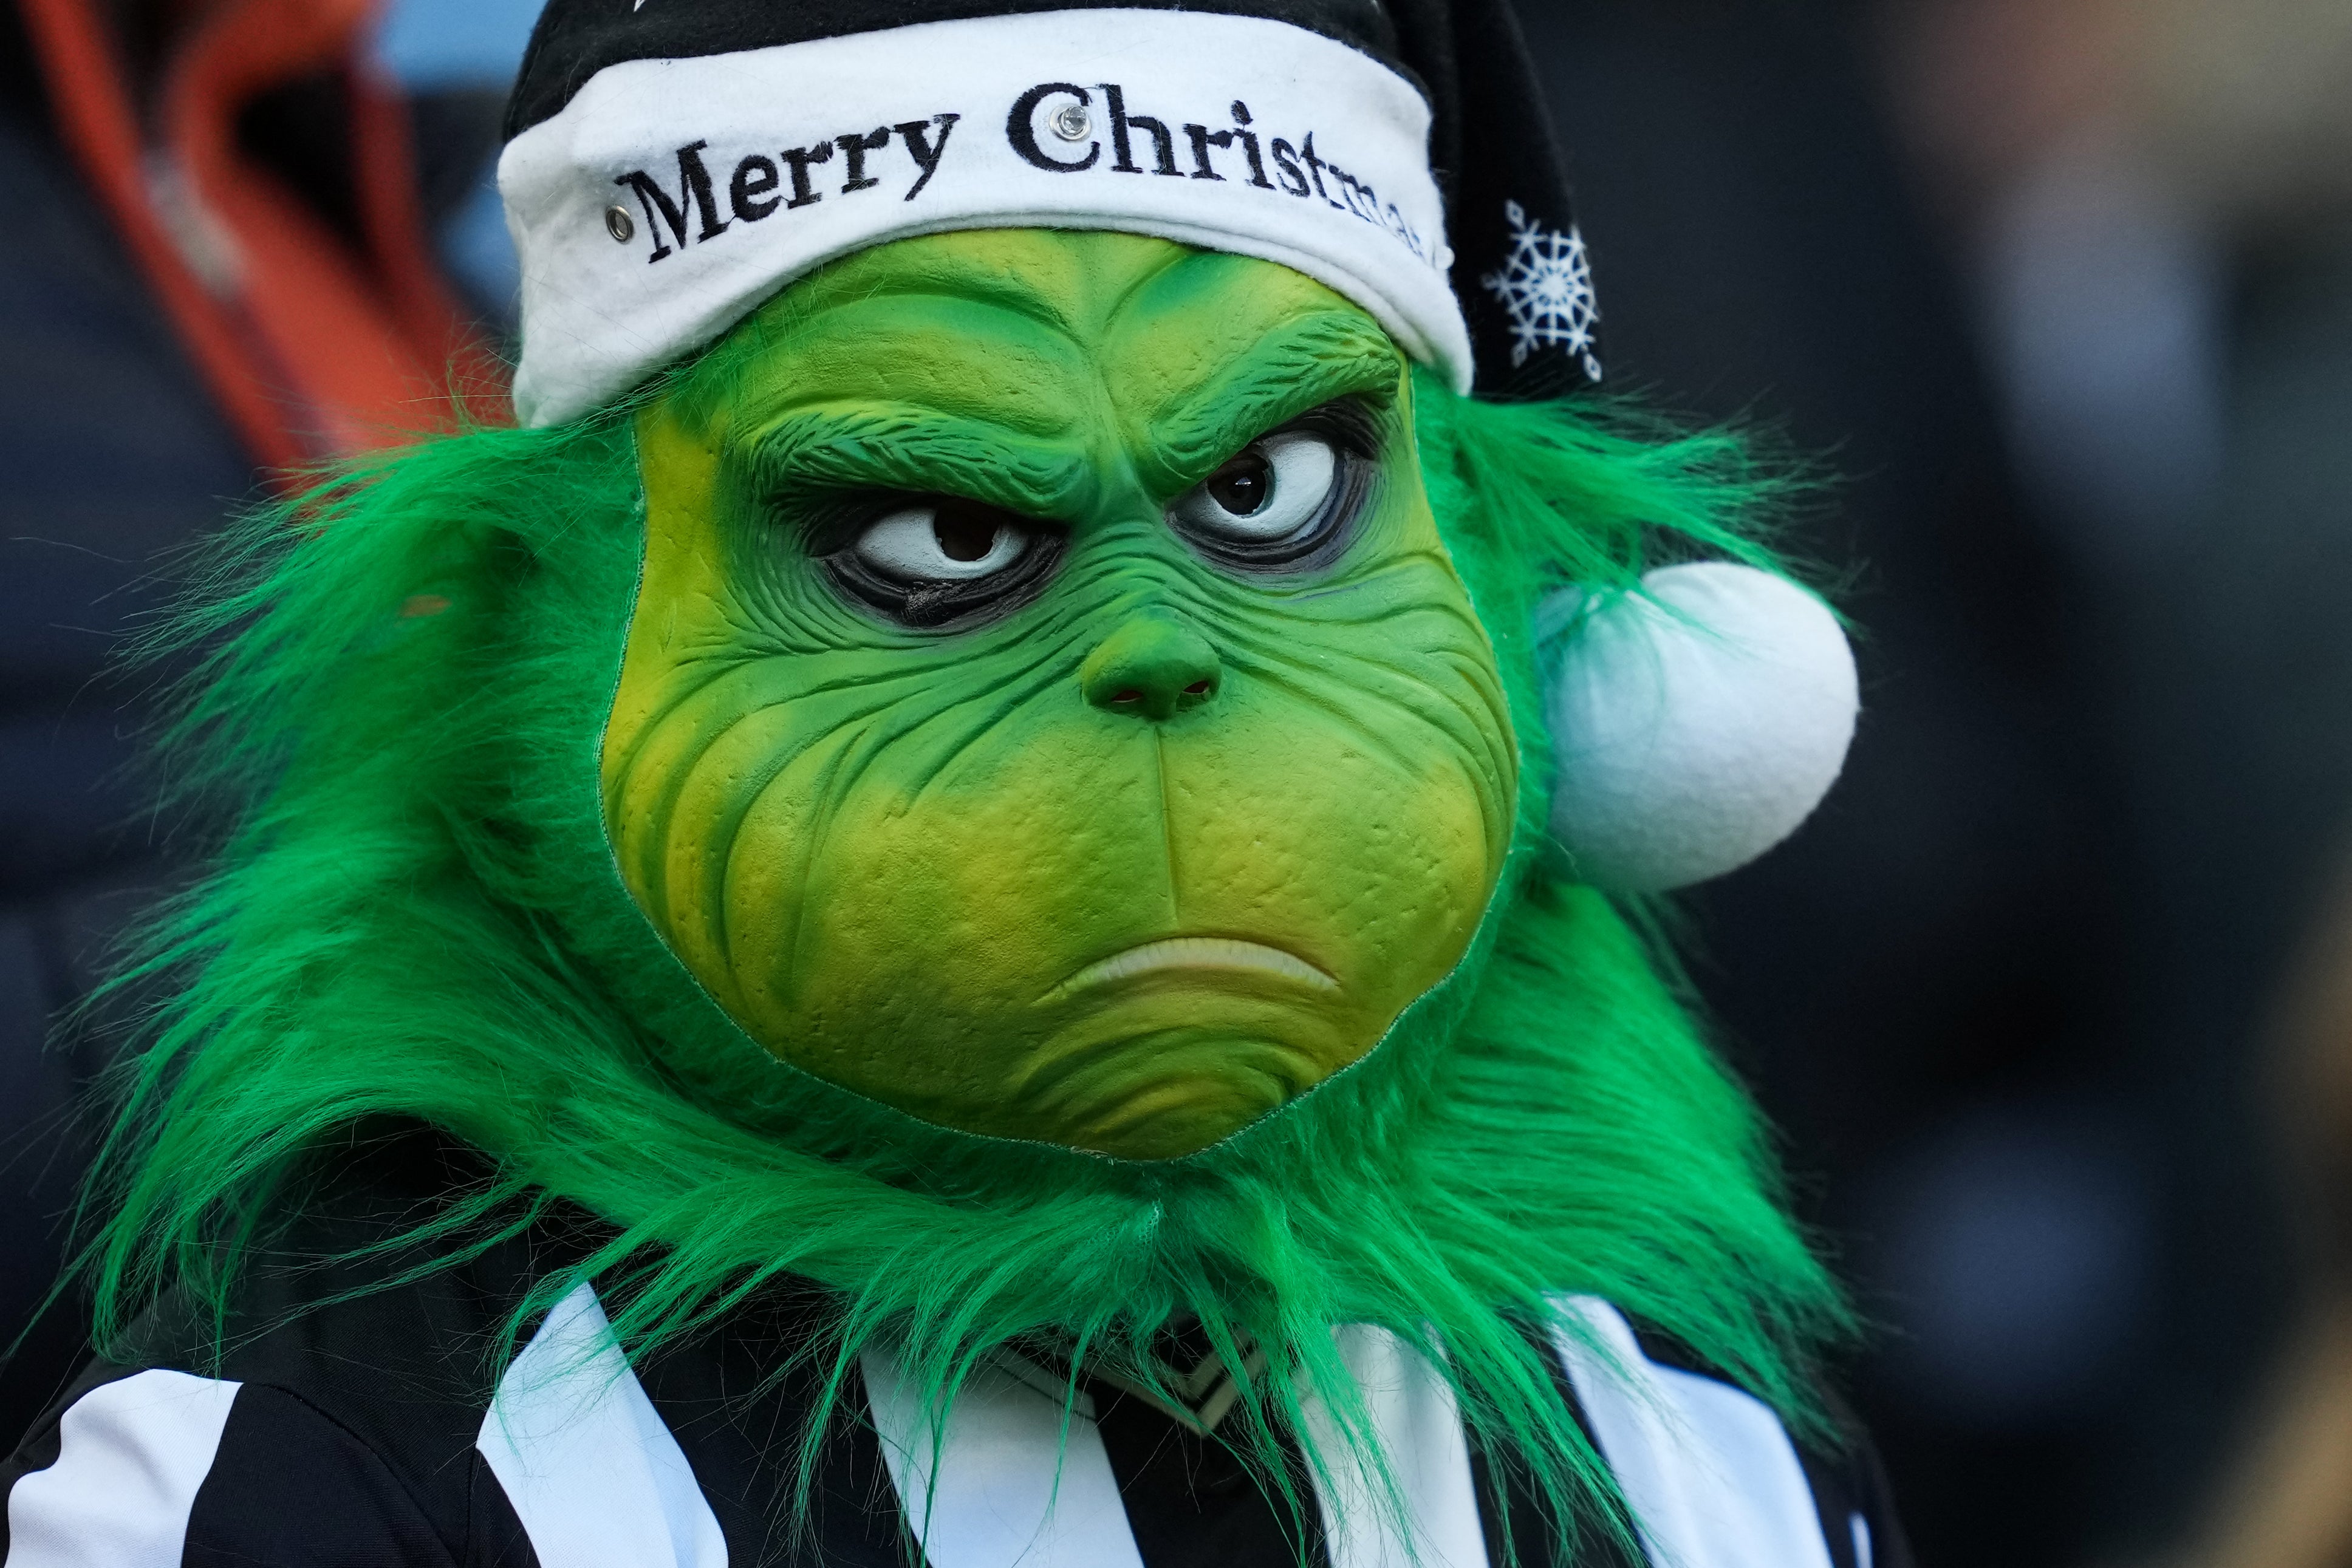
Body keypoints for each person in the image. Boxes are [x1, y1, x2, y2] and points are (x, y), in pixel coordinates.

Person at [0, 0, 1907, 1562]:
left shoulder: (1684, 1442)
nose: (1156, 646)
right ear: (546, 637)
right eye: (932, 532)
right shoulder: (329, 1479)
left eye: (1269, 492)